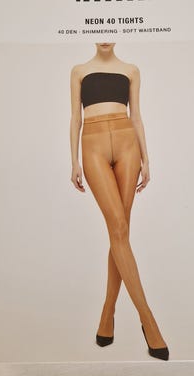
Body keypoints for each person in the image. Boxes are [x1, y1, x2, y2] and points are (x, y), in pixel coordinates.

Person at [69, 42, 169, 361]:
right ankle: (148, 320)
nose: (105, 37)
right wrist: (74, 162)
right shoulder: (79, 71)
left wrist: (147, 159)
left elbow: (136, 116)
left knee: (120, 232)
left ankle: (107, 315)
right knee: (119, 230)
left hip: (128, 144)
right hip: (93, 145)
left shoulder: (131, 70)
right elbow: (75, 119)